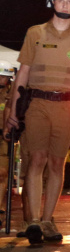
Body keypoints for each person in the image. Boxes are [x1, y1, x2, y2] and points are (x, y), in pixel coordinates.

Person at [5, 0, 70, 245]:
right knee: (36, 159)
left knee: (57, 163)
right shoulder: (34, 32)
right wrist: (12, 110)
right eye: (60, 0)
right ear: (52, 3)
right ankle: (33, 220)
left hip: (68, 106)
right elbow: (22, 73)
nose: (65, 5)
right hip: (37, 103)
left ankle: (47, 220)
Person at [0, 61, 14, 214]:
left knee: (2, 173)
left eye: (4, 76)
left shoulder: (12, 95)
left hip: (4, 137)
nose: (0, 79)